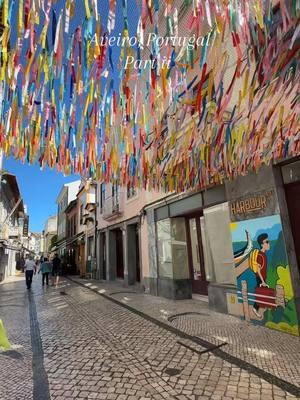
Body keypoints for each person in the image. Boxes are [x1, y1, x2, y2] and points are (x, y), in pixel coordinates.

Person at [250, 233, 271, 318]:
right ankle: (255, 308)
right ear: (262, 244)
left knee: (264, 292)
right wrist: (262, 281)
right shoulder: (260, 255)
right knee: (261, 293)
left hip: (262, 278)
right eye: (267, 242)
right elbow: (258, 270)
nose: (269, 243)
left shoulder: (263, 254)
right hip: (260, 278)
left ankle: (264, 306)